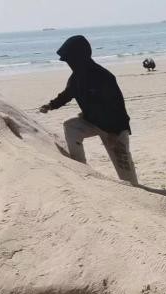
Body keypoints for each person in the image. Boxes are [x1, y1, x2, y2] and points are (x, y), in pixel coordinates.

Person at [39, 35, 137, 185]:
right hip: (91, 122)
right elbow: (67, 95)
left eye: (71, 60)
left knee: (129, 180)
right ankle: (81, 168)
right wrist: (51, 105)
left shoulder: (103, 76)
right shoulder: (76, 78)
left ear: (80, 57)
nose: (69, 64)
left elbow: (118, 107)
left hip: (115, 130)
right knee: (70, 125)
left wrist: (115, 133)